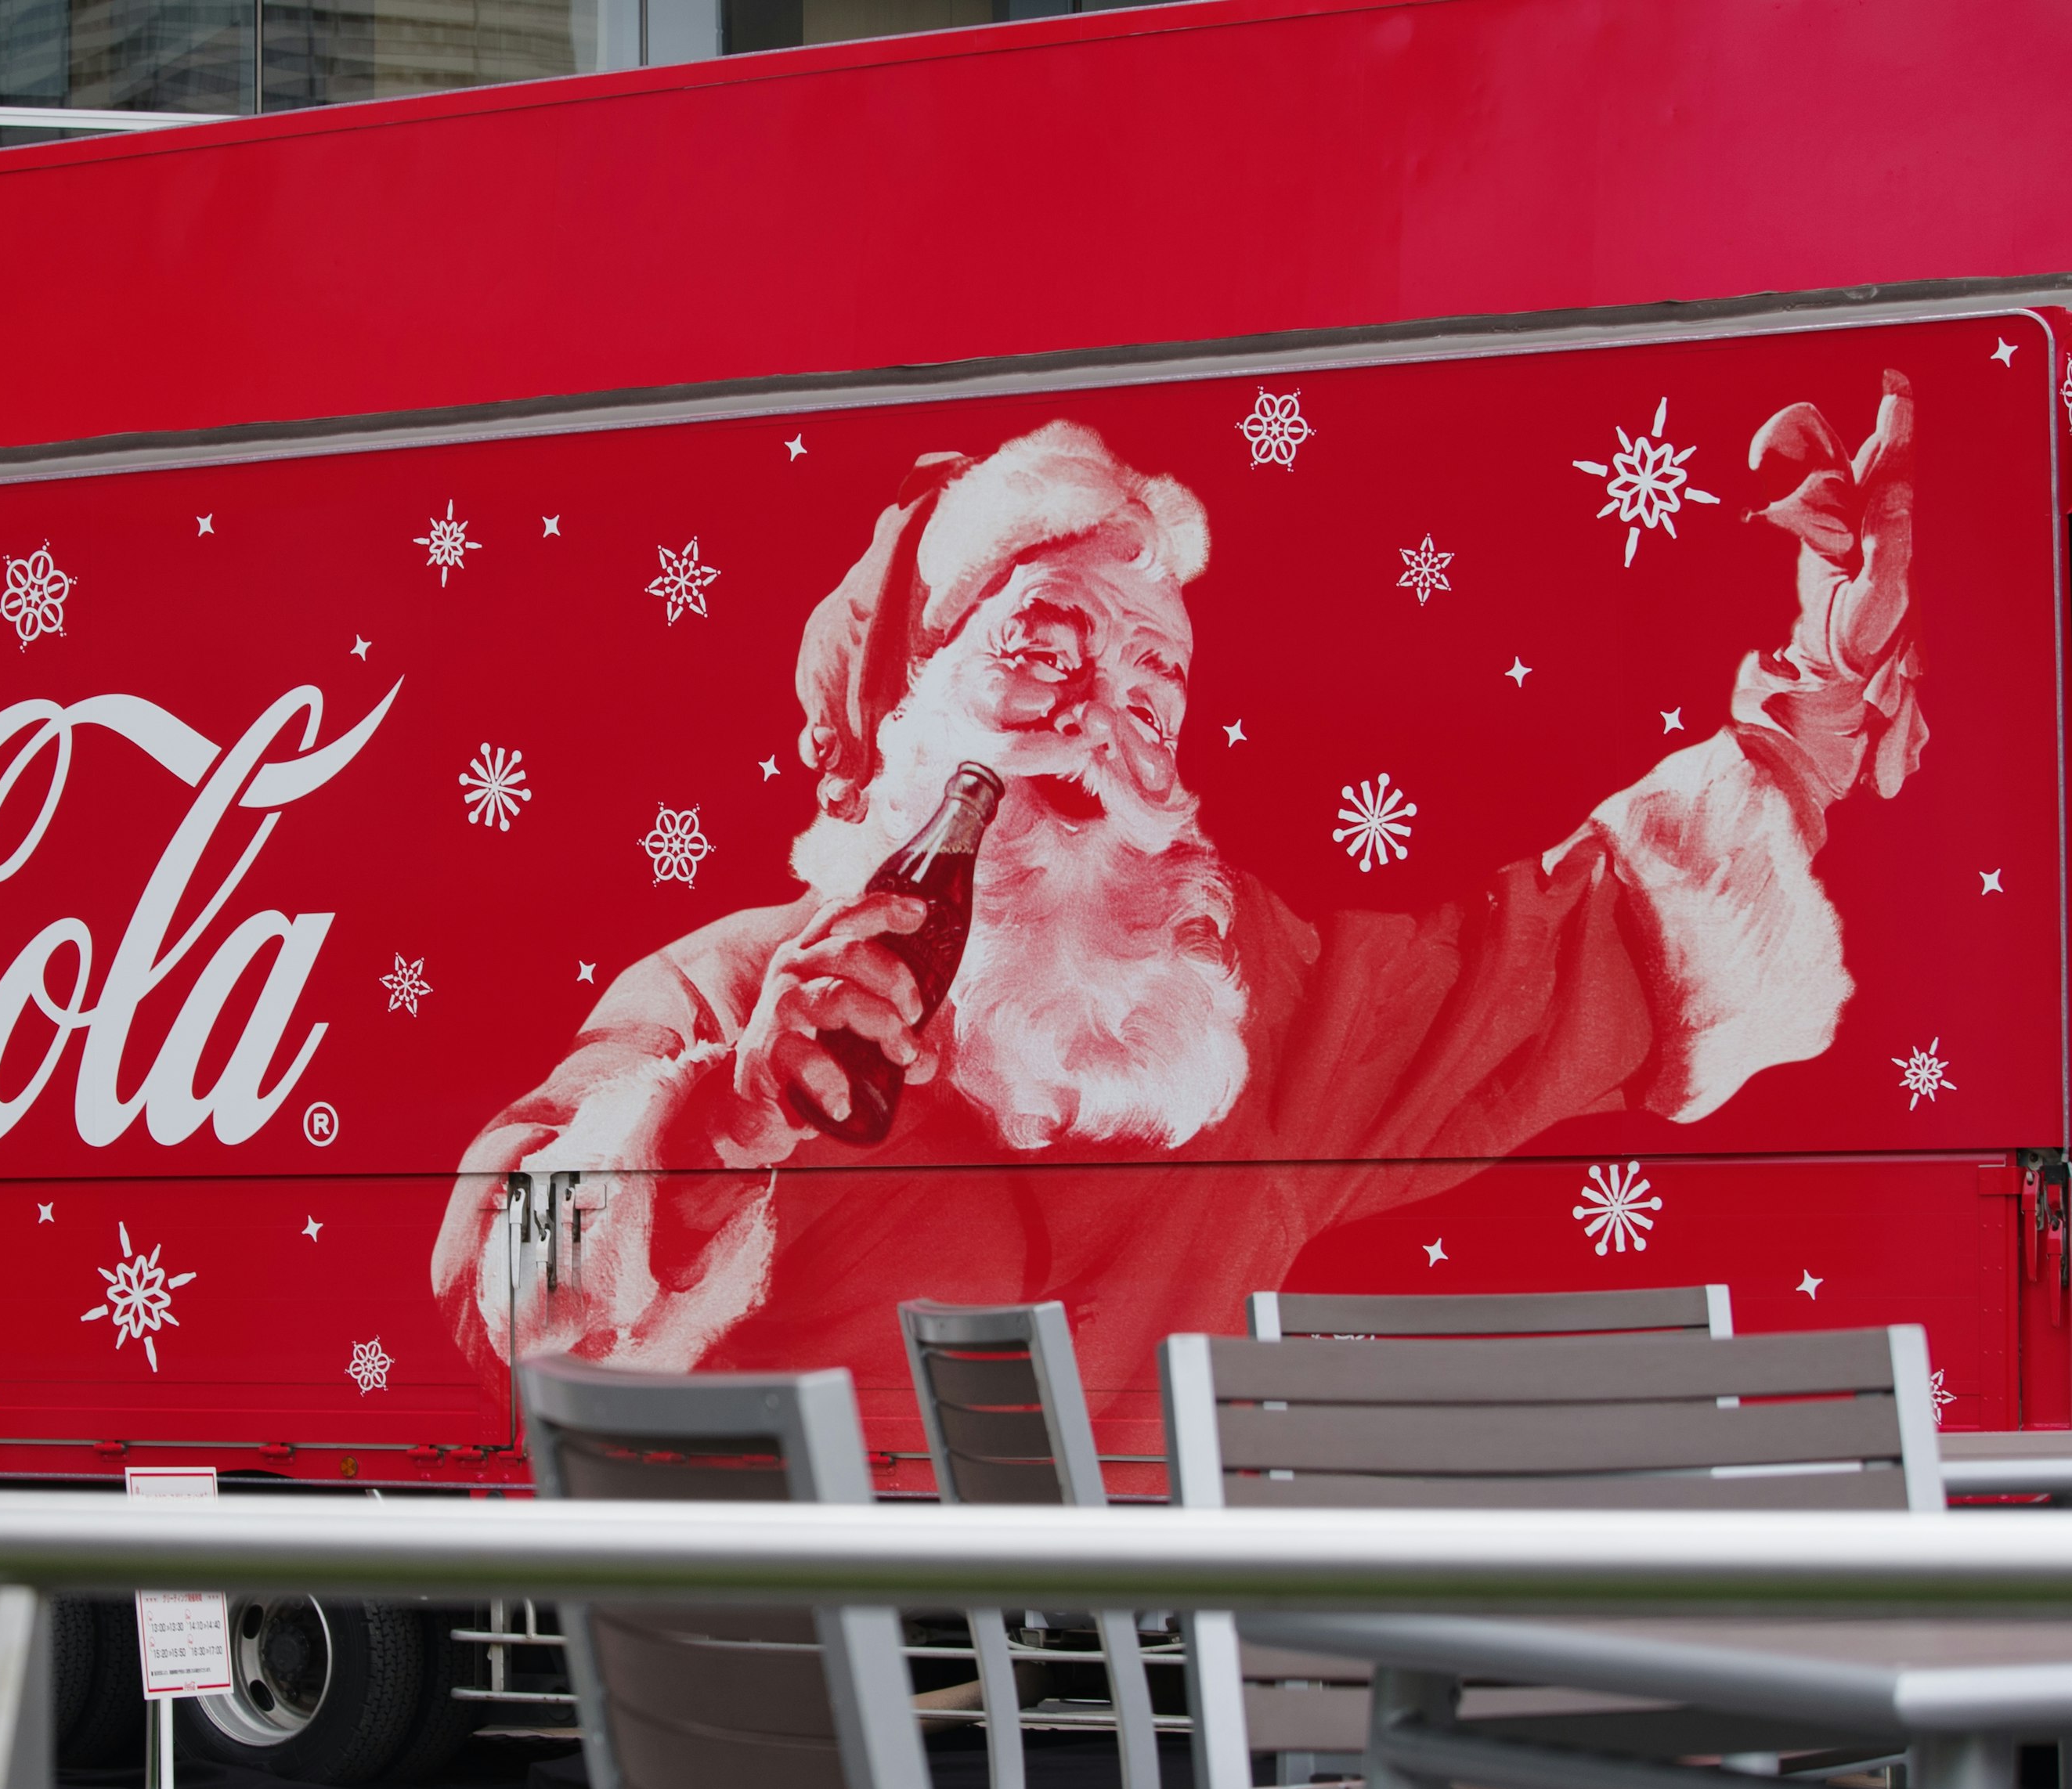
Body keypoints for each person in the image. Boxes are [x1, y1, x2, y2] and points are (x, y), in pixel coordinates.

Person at [431, 377, 1919, 1458]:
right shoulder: (729, 991)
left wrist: (1813, 699)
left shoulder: (1243, 1008)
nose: (1106, 721)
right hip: (831, 1676)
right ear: (908, 699)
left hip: (1141, 1698)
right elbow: (502, 1289)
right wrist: (721, 1119)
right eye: (1045, 648)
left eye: (1157, 680)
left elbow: (1555, 962)